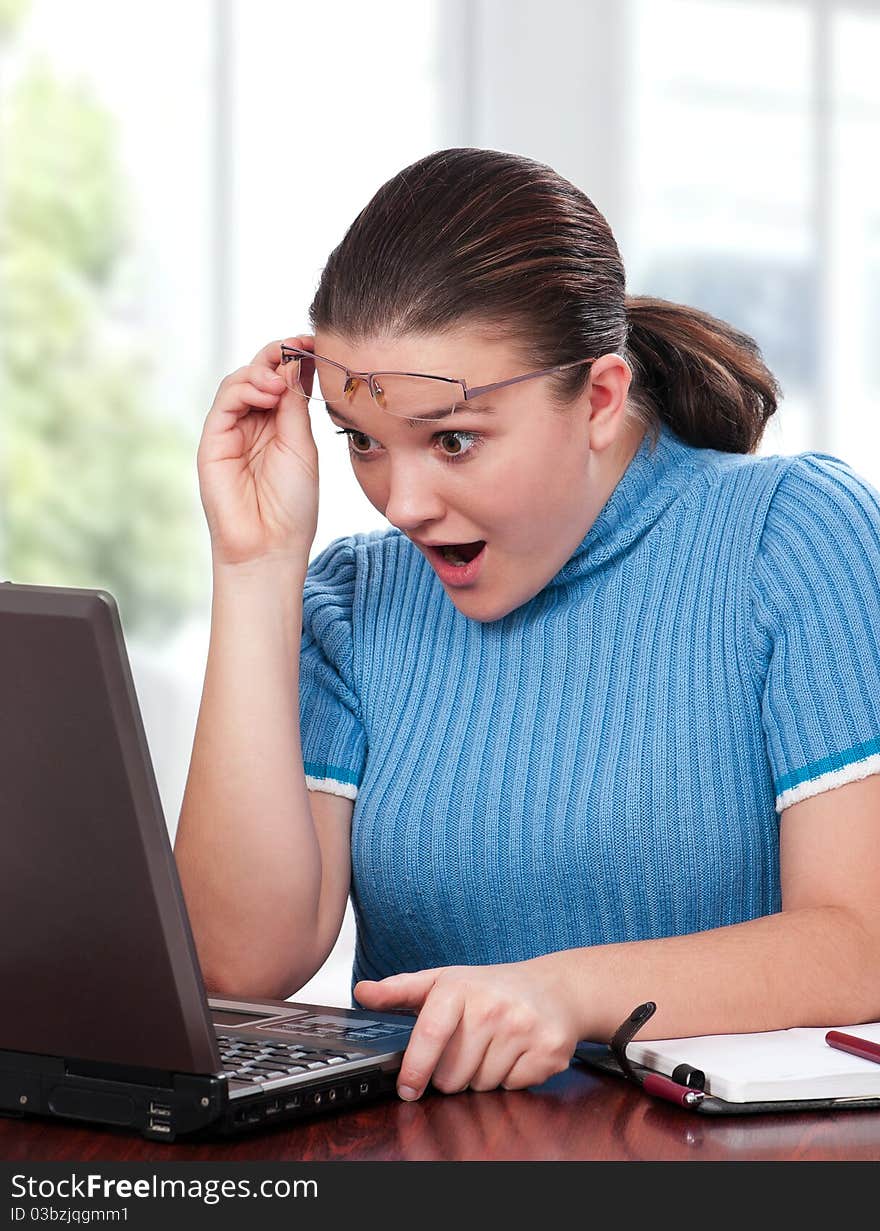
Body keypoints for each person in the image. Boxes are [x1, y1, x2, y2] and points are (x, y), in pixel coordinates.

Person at [174, 147, 880, 1104]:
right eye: (364, 443)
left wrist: (569, 992)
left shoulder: (787, 537)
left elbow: (861, 940)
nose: (404, 502)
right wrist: (256, 569)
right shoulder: (355, 599)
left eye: (453, 439)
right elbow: (236, 964)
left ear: (598, 398)